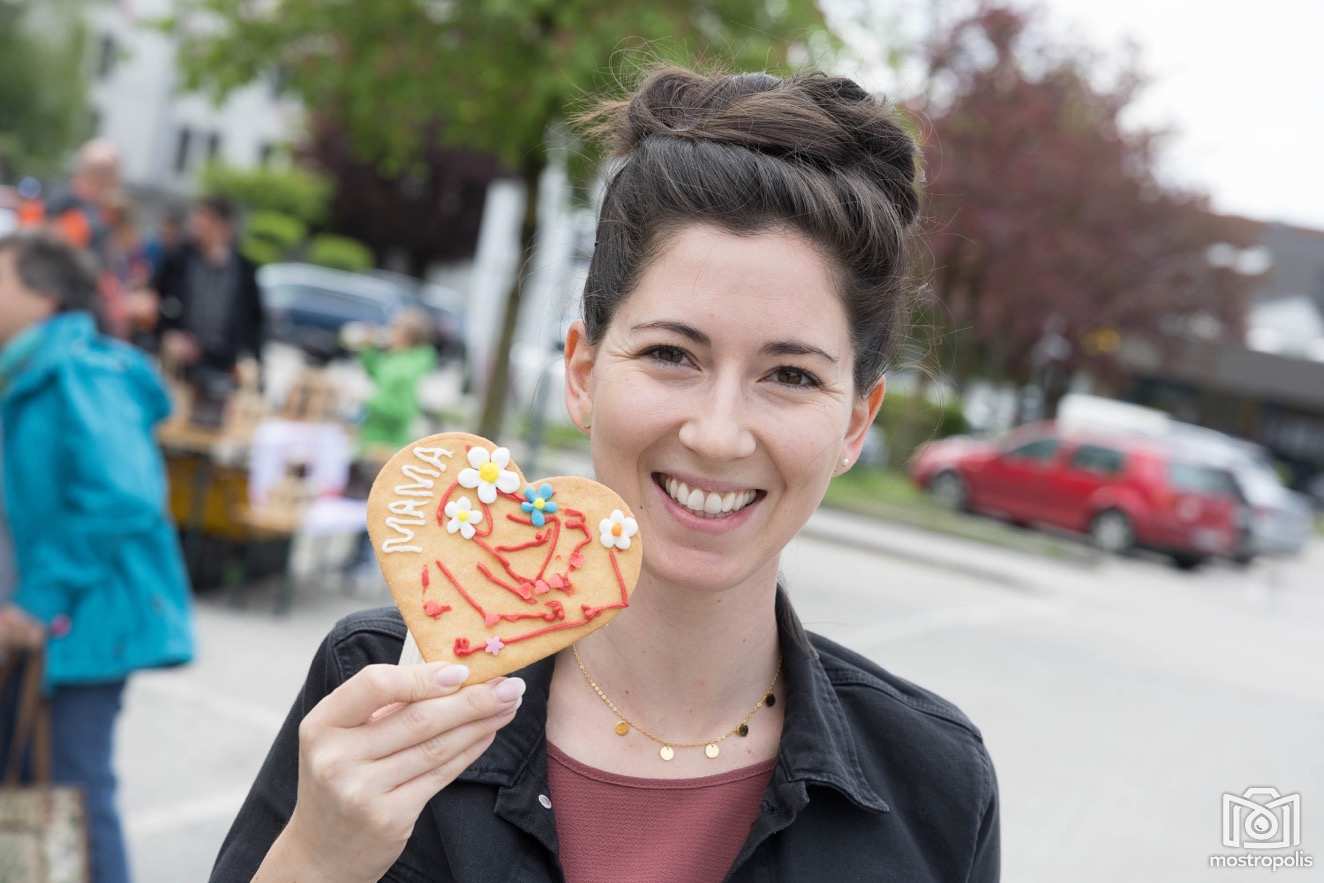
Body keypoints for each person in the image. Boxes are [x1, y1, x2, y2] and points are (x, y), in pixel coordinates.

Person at [212, 67, 1000, 882]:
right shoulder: (382, 685)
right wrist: (317, 857)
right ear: (583, 373)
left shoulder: (935, 786)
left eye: (790, 375)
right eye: (671, 354)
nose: (718, 433)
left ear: (856, 424)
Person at [0, 231, 196, 883]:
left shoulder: (78, 368)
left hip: (83, 620)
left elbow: (124, 495)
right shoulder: (30, 366)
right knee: (33, 789)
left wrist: (38, 598)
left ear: (43, 295)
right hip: (51, 622)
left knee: (72, 798)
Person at [151, 194, 265, 382]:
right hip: (181, 364)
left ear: (224, 226)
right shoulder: (178, 260)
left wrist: (250, 360)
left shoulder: (245, 270)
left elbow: (255, 323)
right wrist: (167, 335)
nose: (197, 225)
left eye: (205, 219)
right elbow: (155, 301)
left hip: (224, 367)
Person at [349, 309, 438, 458]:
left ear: (408, 335)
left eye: (394, 328)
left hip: (389, 438)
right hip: (373, 430)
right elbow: (377, 373)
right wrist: (368, 349)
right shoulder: (397, 356)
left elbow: (401, 406)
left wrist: (366, 401)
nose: (389, 332)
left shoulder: (411, 363)